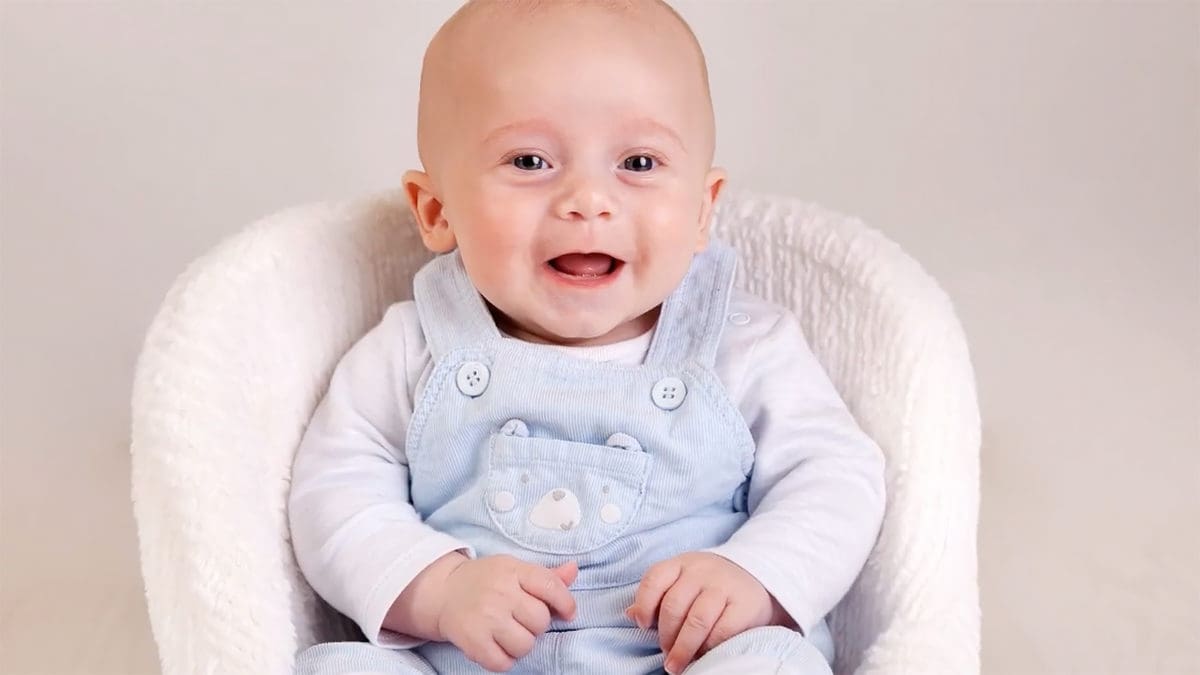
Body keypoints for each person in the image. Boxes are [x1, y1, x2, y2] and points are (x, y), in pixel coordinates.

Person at [289, 1, 885, 673]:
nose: (587, 199)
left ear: (701, 210)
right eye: (530, 159)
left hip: (679, 661)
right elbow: (333, 493)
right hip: (462, 663)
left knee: (776, 663)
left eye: (637, 161)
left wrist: (752, 575)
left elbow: (834, 477)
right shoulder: (415, 347)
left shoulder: (742, 347)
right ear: (436, 209)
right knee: (332, 667)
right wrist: (439, 589)